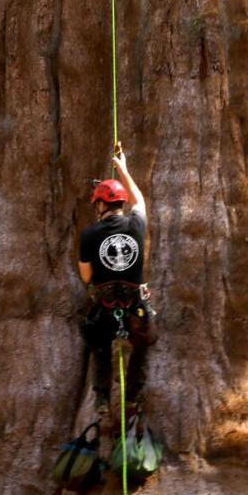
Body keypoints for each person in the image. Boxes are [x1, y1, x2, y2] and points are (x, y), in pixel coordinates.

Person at [78, 145, 157, 420]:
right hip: (135, 308)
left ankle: (101, 397)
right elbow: (140, 202)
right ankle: (133, 397)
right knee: (142, 345)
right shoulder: (136, 225)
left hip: (105, 310)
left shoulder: (89, 235)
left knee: (99, 345)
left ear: (100, 204)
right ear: (121, 204)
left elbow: (87, 276)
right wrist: (123, 168)